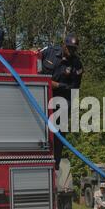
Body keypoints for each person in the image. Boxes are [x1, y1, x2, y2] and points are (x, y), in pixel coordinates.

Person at [40, 34, 83, 170]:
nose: (71, 51)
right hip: (40, 96)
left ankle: (55, 164)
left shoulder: (77, 65)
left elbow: (74, 88)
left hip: (61, 99)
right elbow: (33, 59)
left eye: (74, 49)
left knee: (58, 134)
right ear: (63, 45)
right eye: (69, 47)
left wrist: (56, 85)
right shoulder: (49, 52)